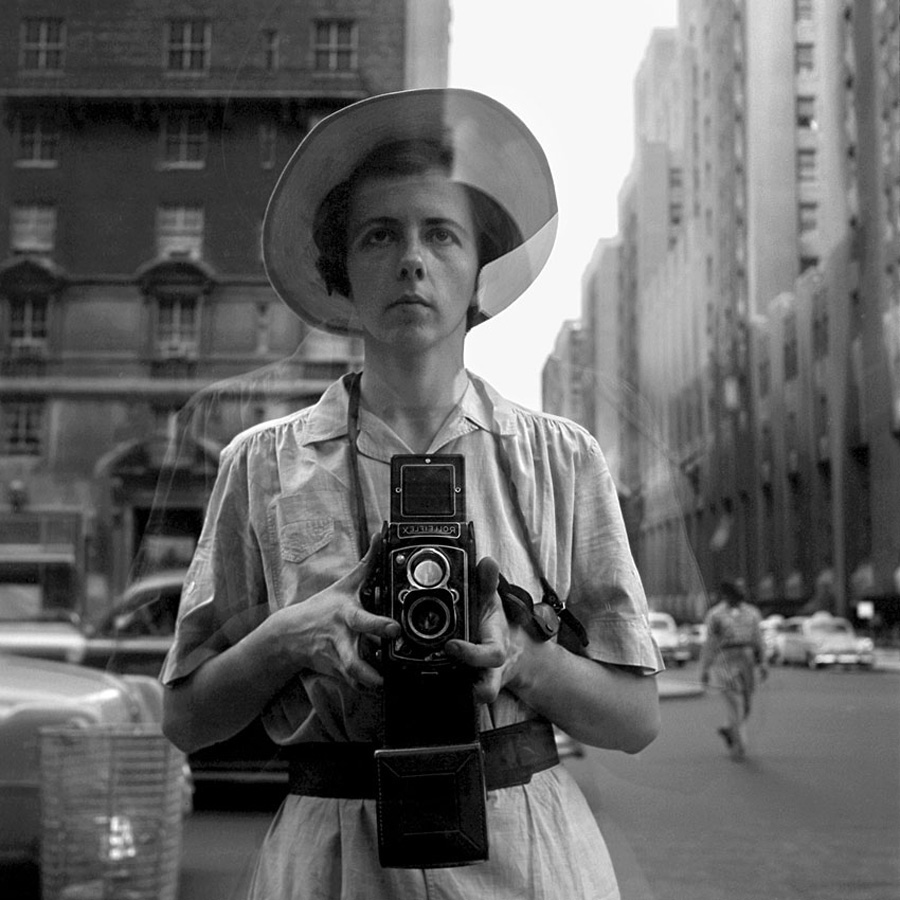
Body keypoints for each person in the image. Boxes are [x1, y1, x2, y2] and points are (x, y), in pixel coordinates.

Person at [160, 88, 663, 899]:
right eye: (379, 234)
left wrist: (522, 660)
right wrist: (293, 637)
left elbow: (636, 720)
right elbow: (185, 717)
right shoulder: (259, 464)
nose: (411, 259)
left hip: (527, 852)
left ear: (475, 272)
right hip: (331, 856)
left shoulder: (561, 459)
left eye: (442, 234)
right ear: (341, 271)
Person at [700, 579, 768, 760]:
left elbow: (759, 640)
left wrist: (763, 663)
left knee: (746, 704)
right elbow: (710, 644)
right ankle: (739, 745)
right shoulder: (715, 615)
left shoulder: (752, 613)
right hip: (724, 659)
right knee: (733, 703)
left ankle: (730, 729)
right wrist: (705, 669)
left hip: (745, 658)